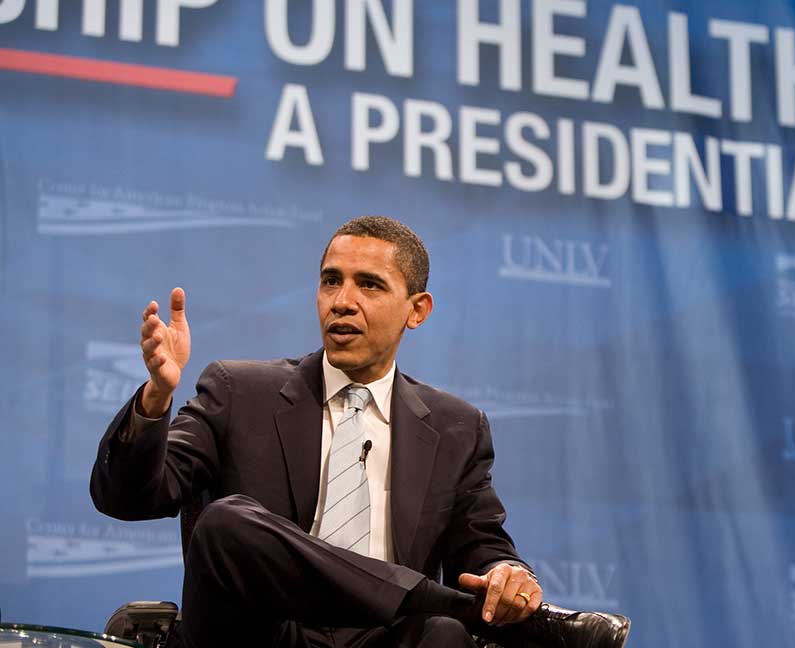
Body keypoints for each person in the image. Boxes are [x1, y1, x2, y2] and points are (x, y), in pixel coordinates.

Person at [90, 216, 629, 648]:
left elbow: (481, 548)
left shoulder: (455, 427)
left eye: (369, 284)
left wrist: (508, 574)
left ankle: (443, 610)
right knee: (226, 522)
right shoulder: (239, 390)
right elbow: (129, 497)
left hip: (385, 638)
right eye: (331, 281)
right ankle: (446, 605)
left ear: (417, 310)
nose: (342, 301)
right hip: (255, 632)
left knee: (441, 636)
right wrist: (156, 397)